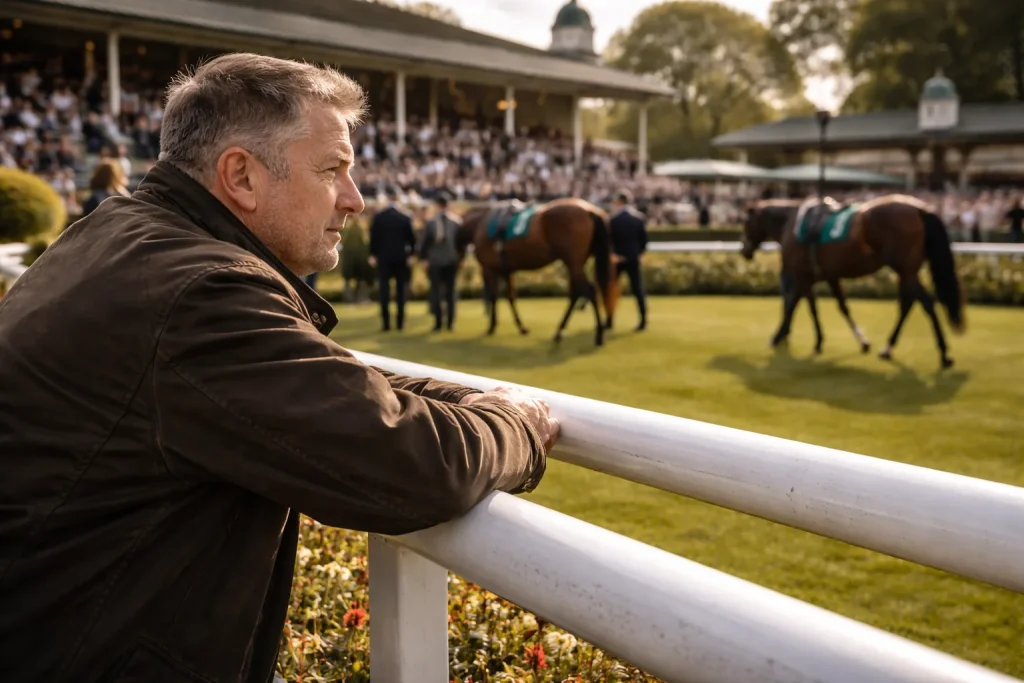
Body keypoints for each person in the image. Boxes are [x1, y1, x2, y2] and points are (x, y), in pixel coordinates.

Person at [0, 53, 559, 683]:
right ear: (240, 176)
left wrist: (451, 395)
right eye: (332, 171)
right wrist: (515, 424)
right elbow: (415, 465)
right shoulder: (201, 295)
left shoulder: (118, 235)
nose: (355, 199)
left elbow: (311, 377)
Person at [368, 186, 416, 331]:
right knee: (401, 292)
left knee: (384, 292)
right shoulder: (405, 217)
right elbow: (412, 240)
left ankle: (386, 324)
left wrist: (373, 254)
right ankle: (400, 323)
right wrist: (411, 255)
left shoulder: (379, 217)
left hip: (384, 258)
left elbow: (373, 238)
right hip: (401, 258)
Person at [418, 191, 462, 331]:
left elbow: (423, 243)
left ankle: (438, 323)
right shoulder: (456, 222)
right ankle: (450, 323)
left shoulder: (431, 222)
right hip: (450, 260)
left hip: (436, 260)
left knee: (437, 292)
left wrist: (424, 259)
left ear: (437, 205)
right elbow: (461, 244)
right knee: (450, 292)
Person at [607, 190, 649, 331]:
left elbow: (609, 241)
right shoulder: (638, 218)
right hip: (633, 258)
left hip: (618, 259)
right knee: (638, 290)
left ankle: (609, 320)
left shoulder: (613, 219)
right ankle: (643, 320)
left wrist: (613, 254)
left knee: (612, 289)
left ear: (618, 202)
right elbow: (644, 241)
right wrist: (639, 254)